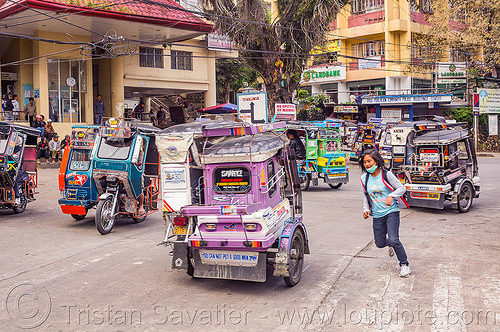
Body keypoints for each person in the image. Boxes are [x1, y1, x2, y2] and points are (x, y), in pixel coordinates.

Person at [360, 148, 411, 278]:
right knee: (380, 243)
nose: (367, 164)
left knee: (394, 239)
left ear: (376, 161)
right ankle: (391, 244)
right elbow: (366, 196)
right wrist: (366, 210)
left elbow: (402, 188)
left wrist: (391, 196)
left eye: (369, 161)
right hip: (377, 215)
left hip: (391, 211)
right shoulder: (364, 178)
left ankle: (404, 264)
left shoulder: (386, 175)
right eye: (365, 162)